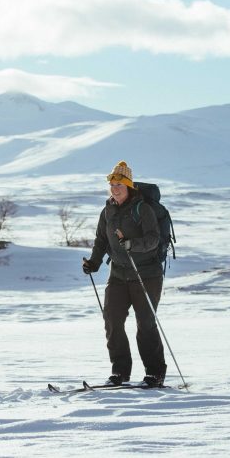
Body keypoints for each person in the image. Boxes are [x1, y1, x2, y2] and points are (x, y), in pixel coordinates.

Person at [81, 161, 168, 388]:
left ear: (128, 185)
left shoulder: (143, 209)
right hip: (118, 274)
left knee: (145, 323)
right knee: (112, 320)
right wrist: (94, 263)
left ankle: (155, 373)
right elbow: (101, 240)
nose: (114, 187)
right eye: (112, 183)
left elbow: (152, 239)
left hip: (146, 274)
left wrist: (131, 244)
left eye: (119, 183)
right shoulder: (107, 210)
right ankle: (119, 372)